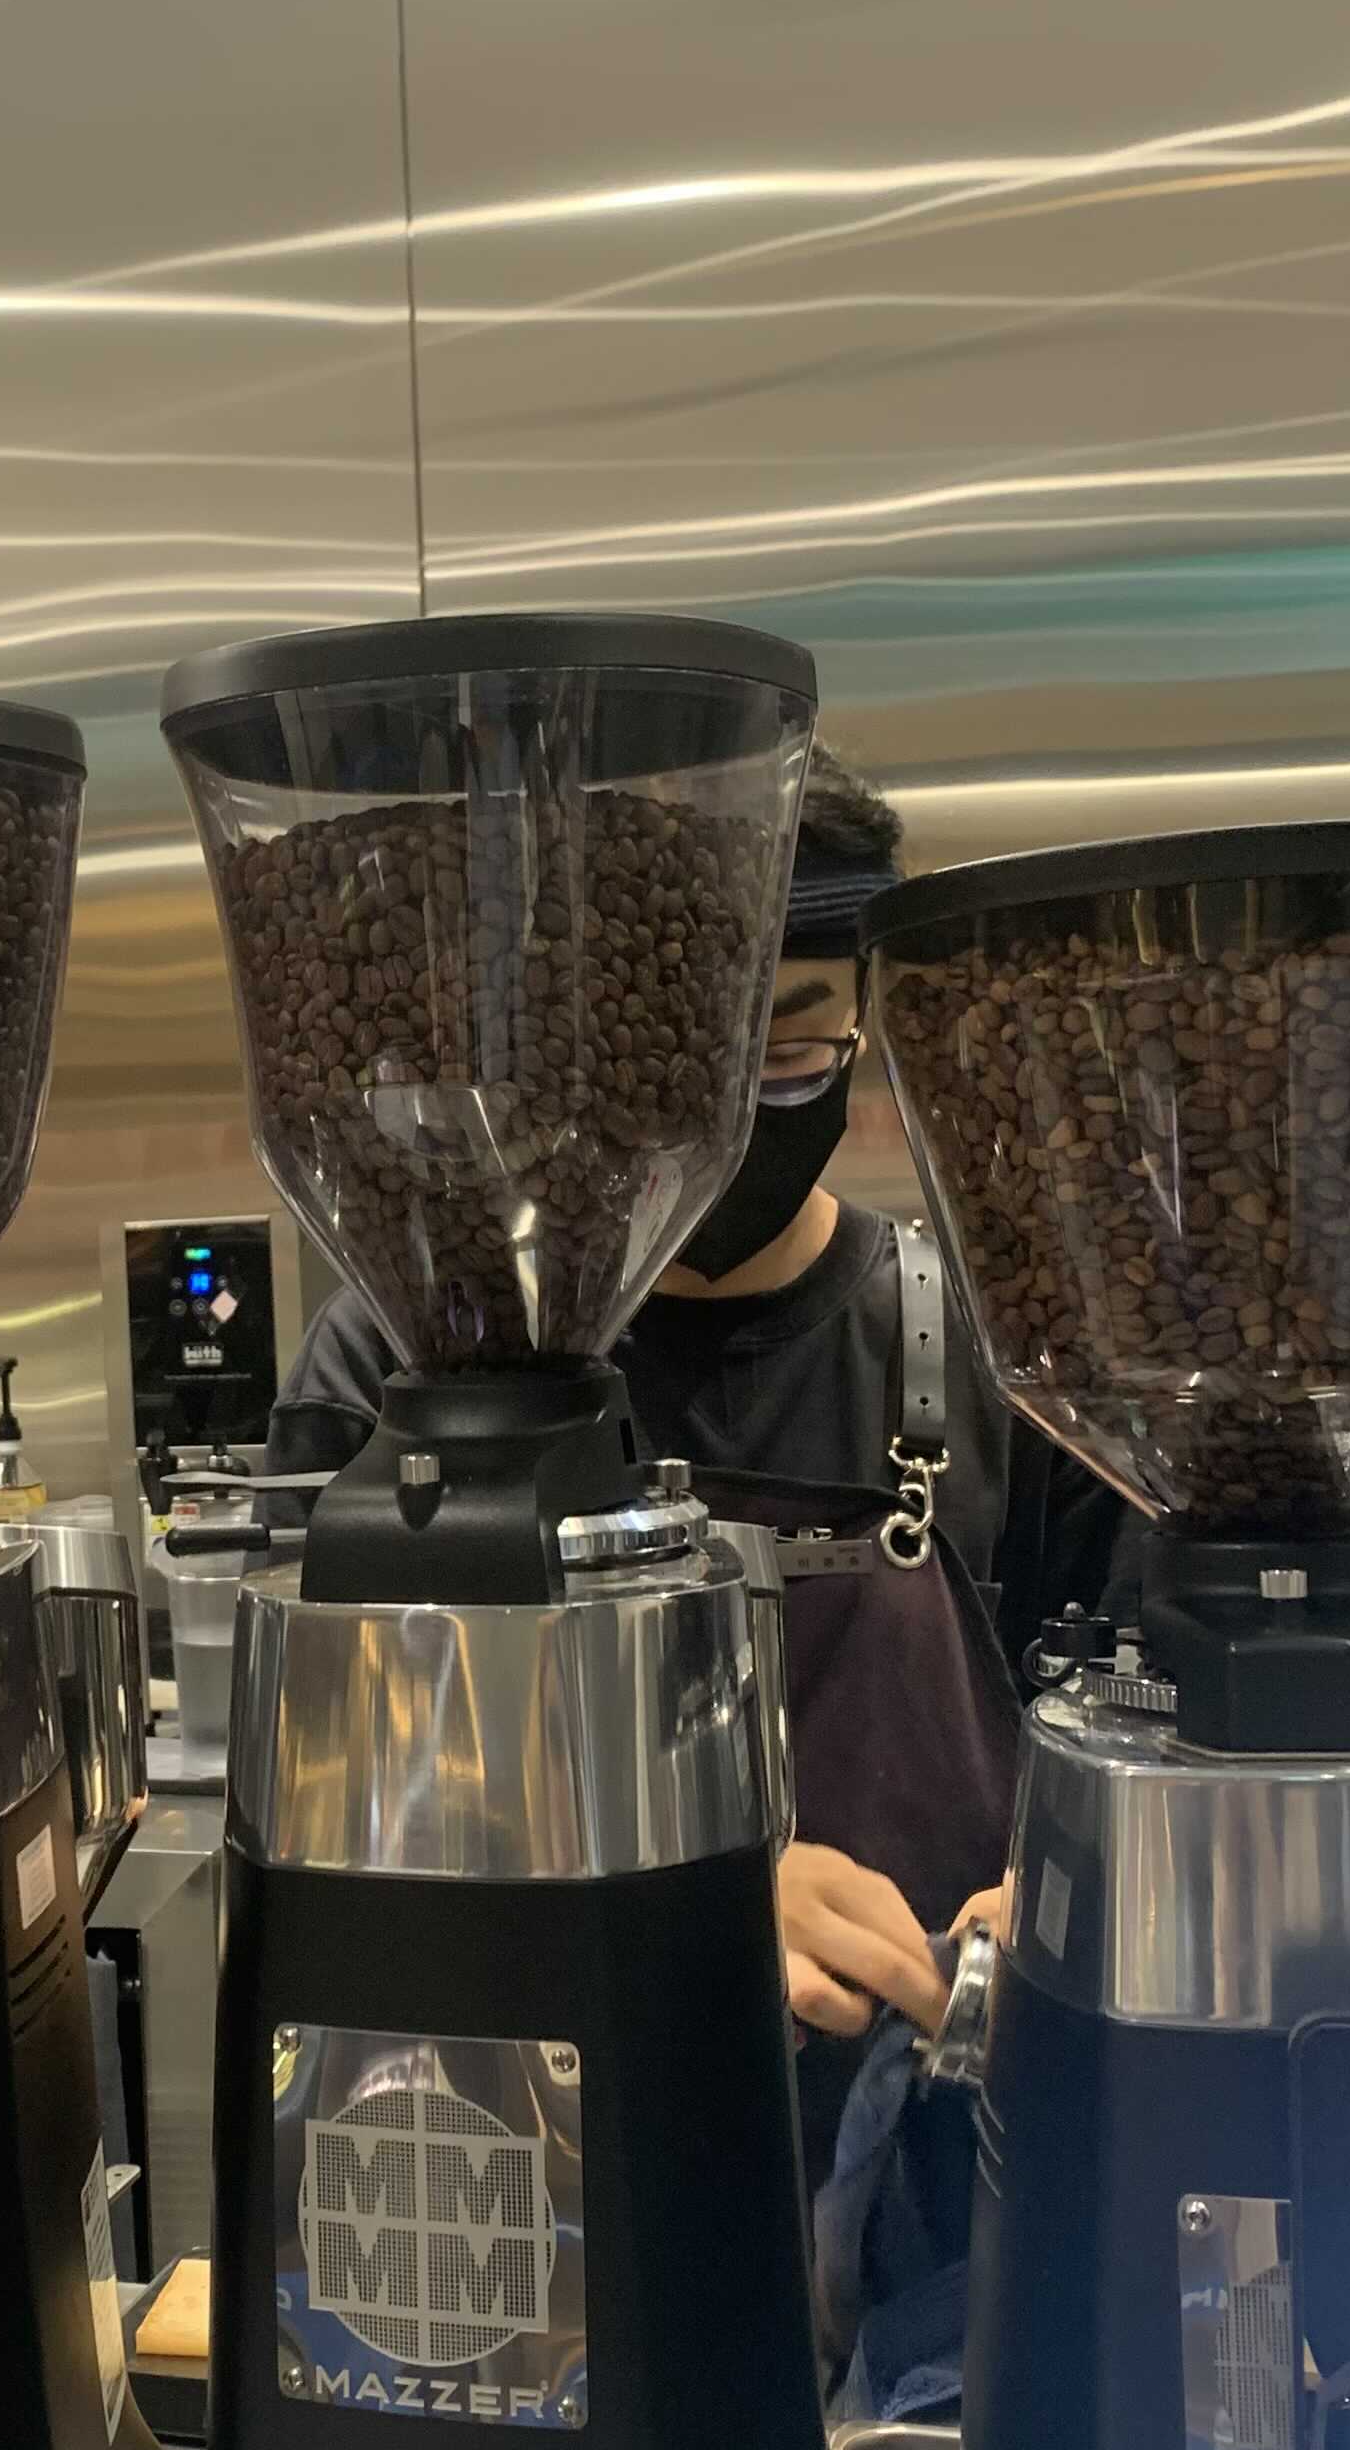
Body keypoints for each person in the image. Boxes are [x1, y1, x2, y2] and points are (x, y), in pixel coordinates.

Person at [264, 746, 1126, 2059]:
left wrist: (1067, 1897)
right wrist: (683, 1897)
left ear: (866, 1023)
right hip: (550, 2113)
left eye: (788, 1048)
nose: (726, 1118)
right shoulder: (401, 1365)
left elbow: (1130, 1731)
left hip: (935, 2125)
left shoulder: (1006, 1350)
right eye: (674, 1061)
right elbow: (324, 1819)